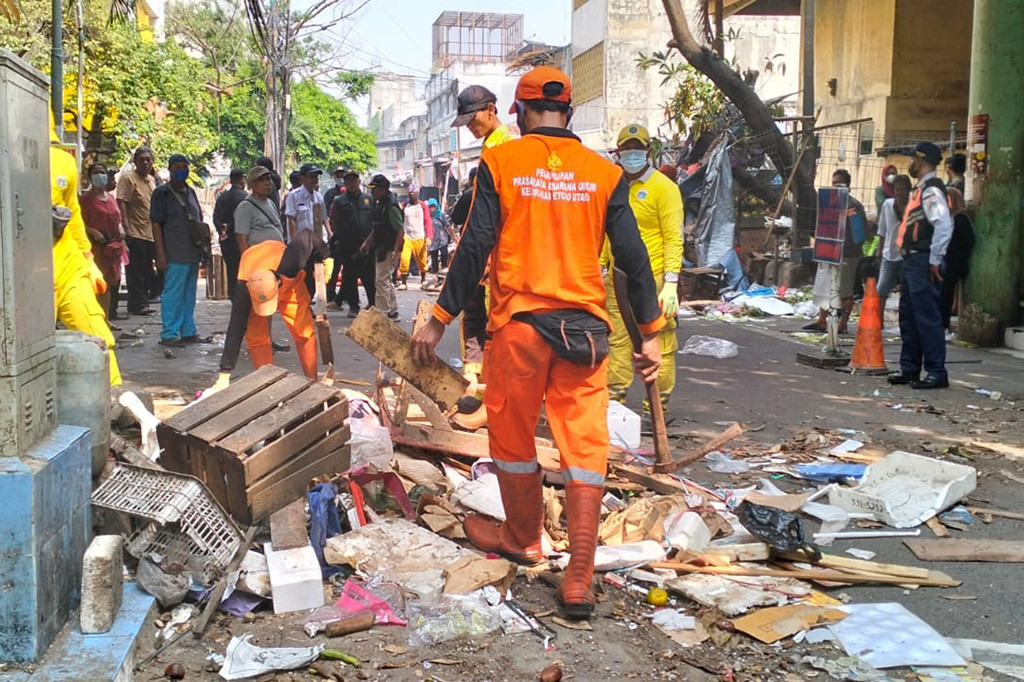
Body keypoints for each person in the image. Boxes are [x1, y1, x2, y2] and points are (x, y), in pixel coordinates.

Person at [411, 66, 662, 619]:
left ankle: (524, 539)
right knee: (585, 451)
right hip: (585, 333)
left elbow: (475, 243)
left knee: (513, 438)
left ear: (521, 113)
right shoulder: (604, 173)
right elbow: (634, 258)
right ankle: (578, 578)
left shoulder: (503, 162)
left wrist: (440, 316)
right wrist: (650, 334)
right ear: (568, 111)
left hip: (521, 328)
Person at [604, 124, 683, 414]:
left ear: (648, 151)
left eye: (637, 148)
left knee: (660, 342)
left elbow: (674, 237)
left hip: (655, 279)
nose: (632, 153)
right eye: (626, 148)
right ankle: (615, 405)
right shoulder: (614, 185)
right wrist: (600, 267)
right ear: (618, 152)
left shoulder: (665, 188)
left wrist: (671, 282)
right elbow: (606, 233)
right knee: (617, 341)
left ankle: (656, 409)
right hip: (617, 279)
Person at [450, 85, 518, 386]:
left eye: (472, 120)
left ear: (491, 110)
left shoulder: (508, 145)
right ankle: (479, 376)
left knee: (497, 322)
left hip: (504, 250)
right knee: (477, 312)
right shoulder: (491, 146)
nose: (469, 128)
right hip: (491, 247)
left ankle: (495, 385)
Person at [50, 111, 121, 385]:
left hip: (69, 267)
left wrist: (87, 259)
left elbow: (74, 216)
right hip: (27, 277)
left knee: (96, 334)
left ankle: (114, 393)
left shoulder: (62, 163)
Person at [214, 230, 331, 387]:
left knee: (304, 331)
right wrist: (224, 372)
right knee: (256, 336)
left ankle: (312, 380)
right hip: (256, 274)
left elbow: (308, 235)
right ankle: (268, 383)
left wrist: (326, 256)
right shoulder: (245, 290)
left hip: (288, 283)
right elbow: (236, 327)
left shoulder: (291, 261)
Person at [889, 141, 953, 390]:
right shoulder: (921, 190)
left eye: (913, 159)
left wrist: (935, 259)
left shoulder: (931, 191)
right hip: (913, 261)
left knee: (926, 318)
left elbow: (943, 225)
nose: (910, 163)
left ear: (922, 161)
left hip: (923, 261)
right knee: (909, 317)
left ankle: (936, 372)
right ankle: (910, 369)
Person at [150, 154, 205, 348]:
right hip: (174, 252)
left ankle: (187, 330)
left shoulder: (191, 192)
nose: (183, 170)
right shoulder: (162, 193)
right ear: (170, 169)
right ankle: (169, 333)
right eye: (178, 166)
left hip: (192, 252)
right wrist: (160, 254)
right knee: (173, 293)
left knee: (189, 294)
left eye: (185, 166)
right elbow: (156, 224)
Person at [803, 169, 866, 335]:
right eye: (833, 183)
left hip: (847, 254)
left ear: (848, 185)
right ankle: (822, 320)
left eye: (840, 183)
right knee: (824, 288)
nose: (836, 186)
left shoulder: (853, 206)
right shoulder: (829, 204)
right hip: (829, 252)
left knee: (845, 291)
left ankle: (842, 323)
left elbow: (859, 234)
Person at [117, 146, 161, 315]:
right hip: (135, 231)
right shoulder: (128, 178)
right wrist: (126, 227)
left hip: (150, 232)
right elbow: (122, 202)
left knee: (148, 270)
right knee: (136, 271)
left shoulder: (151, 180)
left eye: (148, 160)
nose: (145, 163)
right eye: (142, 160)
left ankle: (144, 300)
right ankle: (137, 304)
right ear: (135, 162)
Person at [81, 162, 127, 322]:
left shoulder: (111, 198)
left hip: (113, 247)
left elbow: (117, 218)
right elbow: (78, 223)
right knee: (96, 284)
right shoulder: (85, 200)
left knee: (109, 285)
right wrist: (93, 231)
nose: (100, 176)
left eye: (102, 172)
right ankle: (93, 319)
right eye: (96, 172)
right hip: (96, 248)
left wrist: (121, 229)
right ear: (90, 177)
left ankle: (105, 319)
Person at [329, 169, 376, 317]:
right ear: (345, 183)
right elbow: (333, 221)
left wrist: (370, 241)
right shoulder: (339, 201)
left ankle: (373, 304)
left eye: (354, 180)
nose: (352, 183)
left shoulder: (369, 199)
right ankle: (354, 307)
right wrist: (340, 237)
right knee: (350, 278)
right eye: (349, 180)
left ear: (359, 182)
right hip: (348, 246)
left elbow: (375, 221)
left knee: (369, 278)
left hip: (367, 246)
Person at [360, 174, 403, 321]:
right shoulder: (381, 205)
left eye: (374, 189)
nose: (372, 192)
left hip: (388, 248)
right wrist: (367, 242)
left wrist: (395, 251)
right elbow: (378, 227)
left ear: (382, 189)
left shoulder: (391, 206)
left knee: (381, 281)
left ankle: (382, 314)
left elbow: (400, 230)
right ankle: (392, 311)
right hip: (381, 247)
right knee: (386, 280)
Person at [875, 174, 911, 322]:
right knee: (881, 288)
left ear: (908, 190)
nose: (899, 192)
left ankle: (905, 321)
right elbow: (882, 229)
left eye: (902, 189)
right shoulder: (887, 205)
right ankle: (879, 320)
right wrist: (880, 249)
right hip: (888, 253)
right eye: (897, 189)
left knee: (906, 290)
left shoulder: (913, 207)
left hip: (906, 255)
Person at [940, 187, 975, 334]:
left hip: (955, 261)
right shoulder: (948, 217)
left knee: (946, 294)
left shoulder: (960, 218)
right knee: (944, 293)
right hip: (948, 260)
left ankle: (944, 325)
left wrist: (958, 253)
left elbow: (969, 240)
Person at [213, 169, 248, 297]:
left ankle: (233, 296)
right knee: (244, 270)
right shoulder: (245, 198)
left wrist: (222, 230)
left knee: (231, 270)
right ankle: (243, 297)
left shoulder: (222, 197)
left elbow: (215, 218)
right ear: (242, 180)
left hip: (226, 240)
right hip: (242, 239)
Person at [284, 163, 330, 243]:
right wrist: (294, 241)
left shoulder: (319, 197)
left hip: (316, 241)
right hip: (300, 242)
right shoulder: (294, 196)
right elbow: (291, 219)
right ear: (302, 178)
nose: (315, 180)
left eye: (316, 177)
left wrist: (330, 233)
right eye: (312, 177)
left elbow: (324, 218)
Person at [398, 187, 431, 289]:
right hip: (407, 237)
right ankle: (404, 282)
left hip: (419, 236)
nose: (411, 194)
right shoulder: (404, 206)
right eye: (410, 193)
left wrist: (429, 237)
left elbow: (427, 221)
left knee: (422, 260)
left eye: (413, 193)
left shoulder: (423, 206)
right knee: (404, 259)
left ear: (417, 193)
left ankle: (423, 279)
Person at [426, 198, 454, 275]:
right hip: (433, 240)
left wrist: (453, 236)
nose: (432, 208)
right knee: (434, 257)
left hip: (442, 238)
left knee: (444, 254)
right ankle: (435, 272)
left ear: (436, 206)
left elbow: (447, 225)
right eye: (430, 206)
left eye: (433, 206)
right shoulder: (427, 216)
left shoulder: (441, 215)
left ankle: (444, 268)